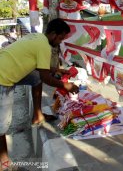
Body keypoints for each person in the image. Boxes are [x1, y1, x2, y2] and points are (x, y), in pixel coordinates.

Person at [0, 18, 79, 168]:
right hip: (2, 78)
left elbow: (41, 69)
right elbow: (46, 77)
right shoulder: (44, 46)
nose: (60, 42)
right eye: (61, 38)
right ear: (54, 34)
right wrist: (66, 86)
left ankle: (37, 116)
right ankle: (4, 164)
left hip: (5, 66)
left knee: (35, 78)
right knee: (1, 126)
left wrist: (58, 70)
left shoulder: (37, 37)